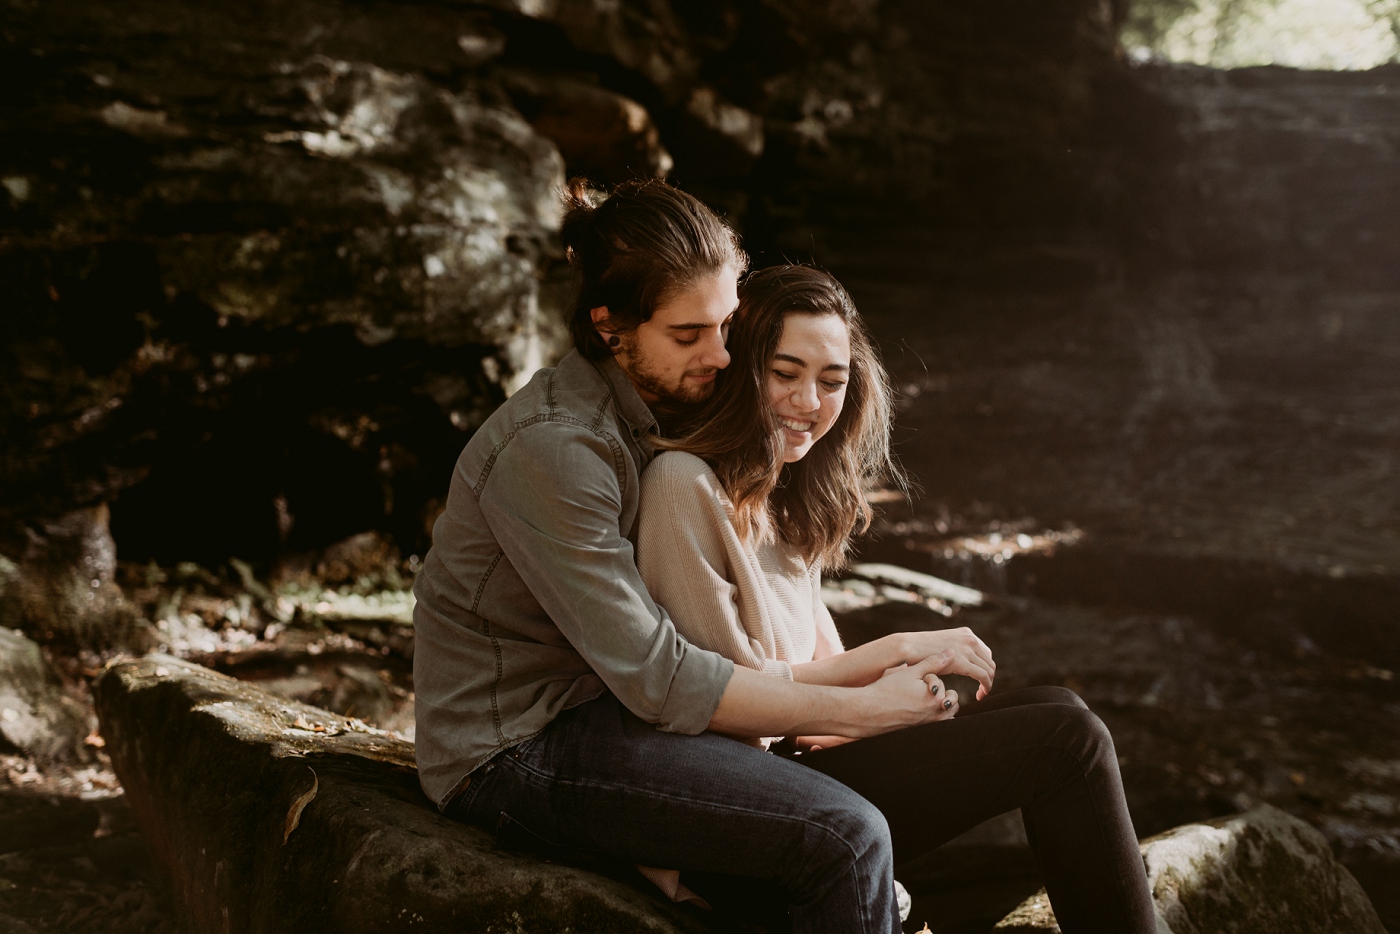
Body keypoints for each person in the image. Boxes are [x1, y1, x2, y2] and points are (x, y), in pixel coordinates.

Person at [411, 176, 1148, 933]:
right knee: (846, 832)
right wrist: (861, 708)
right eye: (689, 335)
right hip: (519, 745)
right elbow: (662, 679)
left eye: (728, 327)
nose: (723, 356)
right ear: (610, 328)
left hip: (616, 715)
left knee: (1062, 724)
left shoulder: (669, 418)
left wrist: (877, 673)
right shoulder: (558, 449)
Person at [636, 265, 1158, 932]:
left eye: (831, 381)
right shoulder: (682, 485)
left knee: (1059, 707)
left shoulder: (785, 495)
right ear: (740, 369)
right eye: (785, 373)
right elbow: (718, 705)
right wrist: (902, 652)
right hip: (736, 818)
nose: (809, 401)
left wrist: (910, 702)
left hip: (795, 772)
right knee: (1068, 741)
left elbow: (820, 708)